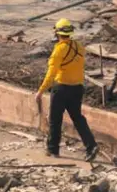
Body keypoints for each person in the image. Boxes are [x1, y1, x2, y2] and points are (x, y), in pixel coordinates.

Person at [34, 19, 99, 162]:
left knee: (55, 119)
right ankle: (91, 145)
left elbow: (51, 73)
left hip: (61, 88)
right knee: (78, 118)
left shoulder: (59, 49)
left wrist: (40, 91)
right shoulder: (79, 46)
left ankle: (53, 149)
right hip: (77, 88)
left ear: (57, 33)